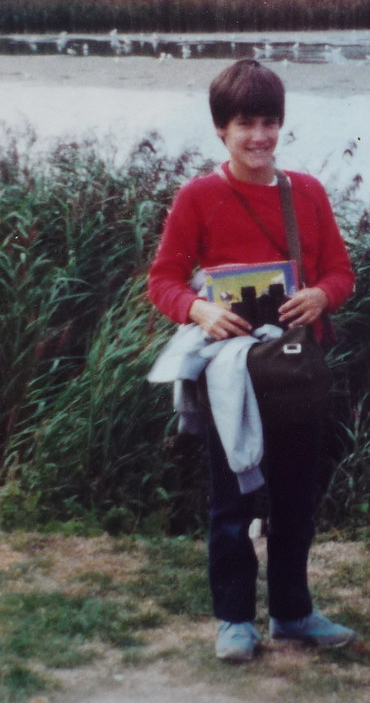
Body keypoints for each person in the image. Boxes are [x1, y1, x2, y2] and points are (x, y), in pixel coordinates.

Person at [146, 60, 358, 662]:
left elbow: (342, 272)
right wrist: (199, 312)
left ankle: (293, 613)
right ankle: (235, 620)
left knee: (295, 499)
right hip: (229, 376)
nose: (260, 136)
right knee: (231, 502)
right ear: (221, 129)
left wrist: (322, 295)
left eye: (270, 122)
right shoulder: (199, 196)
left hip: (295, 370)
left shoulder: (308, 193)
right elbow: (161, 281)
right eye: (246, 124)